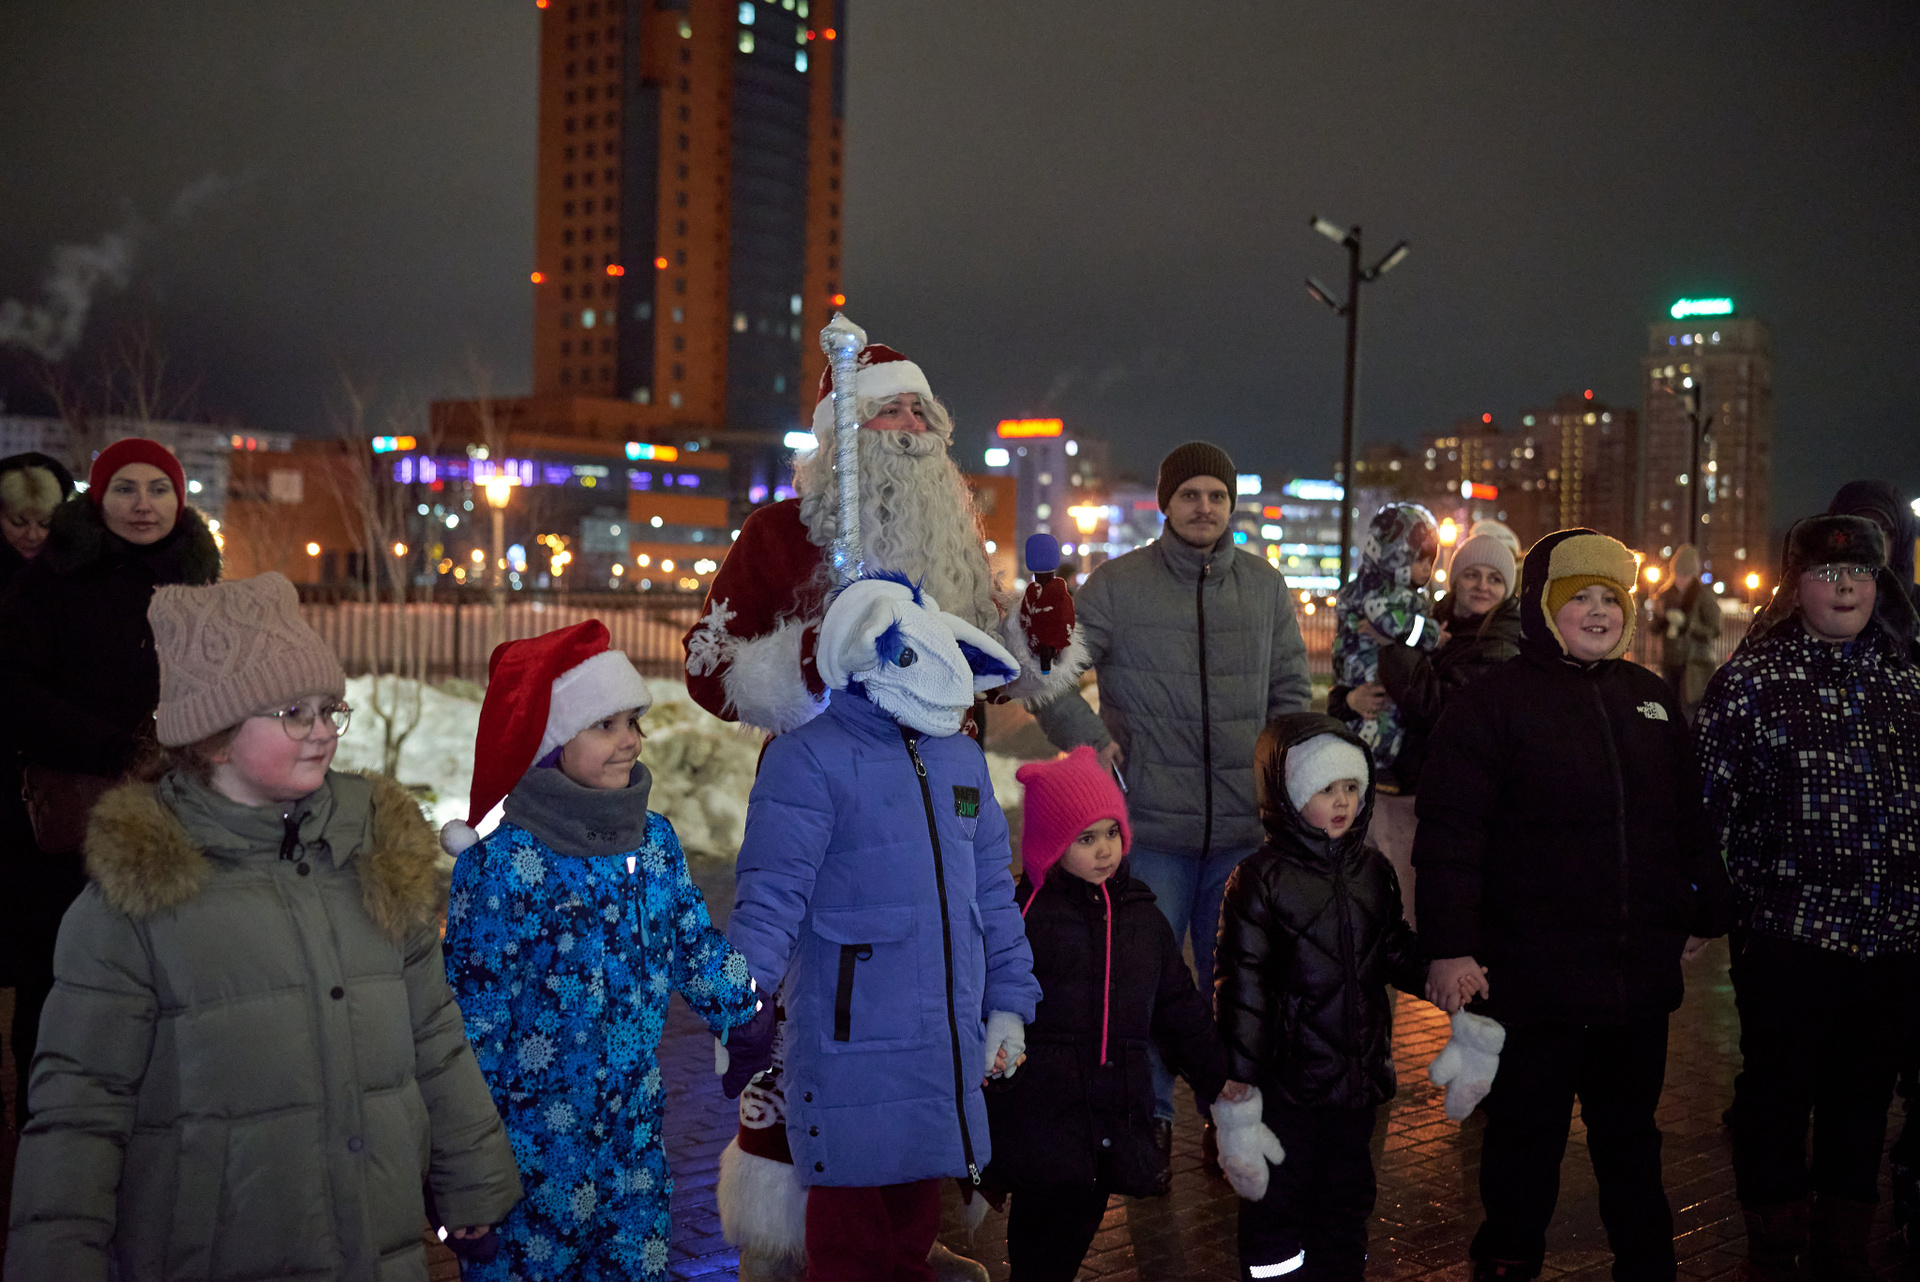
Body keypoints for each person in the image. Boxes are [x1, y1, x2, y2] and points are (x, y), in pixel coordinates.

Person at [4, 572, 521, 1279]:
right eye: (292, 713)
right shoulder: (139, 897)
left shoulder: (375, 857)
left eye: (328, 709)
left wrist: (472, 1177)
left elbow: (433, 1034)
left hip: (375, 1248)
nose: (321, 730)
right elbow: (80, 1107)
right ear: (214, 738)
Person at [1415, 528, 1733, 1282]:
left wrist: (1704, 905)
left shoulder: (1650, 700)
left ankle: (1647, 1265)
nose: (1598, 612)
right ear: (1542, 607)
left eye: (1610, 598)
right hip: (1533, 979)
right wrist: (1451, 946)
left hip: (1631, 980)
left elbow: (1687, 819)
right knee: (1525, 1137)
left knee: (1632, 1138)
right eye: (1578, 597)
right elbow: (1451, 834)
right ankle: (1508, 1258)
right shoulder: (1492, 705)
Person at [721, 573, 1042, 1280]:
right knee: (850, 1244)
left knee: (909, 1234)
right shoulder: (807, 756)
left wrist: (1009, 1002)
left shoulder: (959, 756)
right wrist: (738, 1001)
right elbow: (770, 895)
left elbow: (992, 891)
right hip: (850, 1042)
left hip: (940, 1041)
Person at [441, 620, 761, 1281]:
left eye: (632, 721)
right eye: (605, 725)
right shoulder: (502, 866)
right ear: (552, 746)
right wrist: (461, 1171)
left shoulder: (654, 841)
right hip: (531, 1160)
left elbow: (689, 939)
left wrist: (744, 1011)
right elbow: (472, 1027)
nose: (630, 740)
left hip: (634, 1145)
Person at [1030, 440, 1313, 1172]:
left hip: (1243, 831)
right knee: (1144, 984)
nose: (1204, 508)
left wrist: (1286, 783)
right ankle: (1147, 1116)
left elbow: (1289, 695)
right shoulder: (1118, 585)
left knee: (1239, 985)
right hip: (1149, 827)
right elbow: (1048, 675)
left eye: (1216, 496)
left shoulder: (1264, 587)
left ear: (1231, 505)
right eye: (1190, 495)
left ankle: (1233, 1114)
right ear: (1166, 503)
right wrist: (1092, 745)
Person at [1693, 514, 1920, 1281]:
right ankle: (1775, 1242)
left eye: (1860, 572)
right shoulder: (1752, 682)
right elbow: (1704, 808)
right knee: (1777, 1092)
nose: (1845, 586)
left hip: (1891, 937)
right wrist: (1700, 905)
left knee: (1864, 1096)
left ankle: (1843, 1245)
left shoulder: (1906, 681)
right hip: (1786, 936)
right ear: (1798, 585)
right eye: (1827, 572)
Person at [682, 325, 1077, 735]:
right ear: (845, 432)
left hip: (943, 765)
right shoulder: (777, 531)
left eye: (920, 411)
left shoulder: (950, 535)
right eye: (891, 411)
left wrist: (1032, 639)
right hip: (827, 763)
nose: (914, 425)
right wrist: (819, 654)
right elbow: (707, 671)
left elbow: (988, 674)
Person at [0, 436, 219, 1127]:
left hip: (173, 811)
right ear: (98, 498)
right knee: (59, 977)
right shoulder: (50, 581)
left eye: (158, 488)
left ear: (179, 500)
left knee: (163, 977)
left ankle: (149, 1130)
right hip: (73, 817)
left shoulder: (197, 582)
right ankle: (48, 1128)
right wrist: (110, 746)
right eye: (125, 488)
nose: (142, 504)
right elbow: (13, 688)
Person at [984, 746, 1255, 1281]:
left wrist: (1216, 1074)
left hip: (1111, 1113)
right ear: (1052, 845)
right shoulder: (1026, 917)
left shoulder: (1140, 916)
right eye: (1086, 839)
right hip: (1043, 1114)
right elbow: (989, 995)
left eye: (1111, 832)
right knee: (1039, 1246)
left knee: (1078, 1228)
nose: (1105, 849)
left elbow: (1177, 1005)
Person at [1213, 714, 1433, 1280]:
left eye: (1351, 787)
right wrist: (1239, 1075)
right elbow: (1242, 985)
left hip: (1356, 1083)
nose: (1341, 802)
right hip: (1288, 1086)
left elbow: (1391, 947)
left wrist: (1437, 974)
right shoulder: (1260, 880)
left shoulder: (1373, 871)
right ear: (1287, 797)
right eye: (1325, 789)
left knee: (1346, 1201)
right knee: (1277, 1205)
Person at [1331, 531, 1521, 919]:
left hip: (1437, 798)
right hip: (1396, 787)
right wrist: (1347, 701)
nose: (1482, 586)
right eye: (1472, 574)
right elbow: (1358, 680)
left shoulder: (1500, 644)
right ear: (1455, 580)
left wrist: (1391, 644)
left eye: (1495, 578)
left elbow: (1435, 708)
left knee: (1409, 911)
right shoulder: (1431, 623)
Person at [0, 451, 75, 1109]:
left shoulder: (70, 584)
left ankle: (33, 1113)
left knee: (40, 972)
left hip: (44, 801)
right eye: (17, 521)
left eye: (43, 522)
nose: (30, 535)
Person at [1332, 503, 1442, 793]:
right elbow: (1399, 625)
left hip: (1368, 671)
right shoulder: (1383, 593)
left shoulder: (1377, 586)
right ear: (1395, 557)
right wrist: (1432, 634)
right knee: (1380, 716)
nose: (1427, 569)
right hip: (1372, 672)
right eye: (1419, 560)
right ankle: (1376, 765)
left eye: (1431, 561)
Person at [1652, 544, 1722, 719]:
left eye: (1685, 575)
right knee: (1671, 708)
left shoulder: (1703, 596)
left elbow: (1715, 629)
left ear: (1693, 575)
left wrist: (1689, 625)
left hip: (1695, 664)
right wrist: (1662, 619)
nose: (1680, 579)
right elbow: (1654, 628)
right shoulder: (1665, 595)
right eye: (1678, 574)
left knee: (1690, 711)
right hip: (1670, 661)